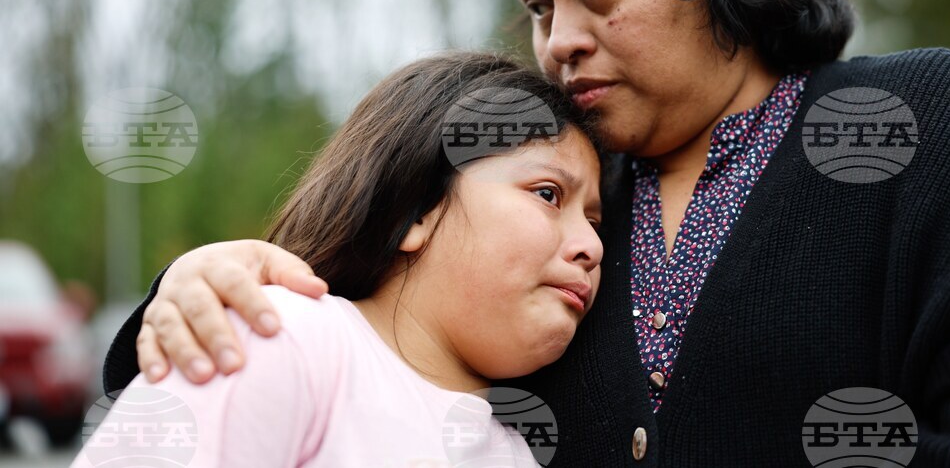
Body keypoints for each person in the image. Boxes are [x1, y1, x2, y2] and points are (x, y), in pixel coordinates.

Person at [102, 0, 950, 465]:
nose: (558, 39)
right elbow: (360, 328)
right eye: (537, 4)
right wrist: (187, 289)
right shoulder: (539, 194)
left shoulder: (923, 125)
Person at [75, 51, 604, 466]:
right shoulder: (279, 336)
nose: (592, 246)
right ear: (418, 206)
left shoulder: (519, 449)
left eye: (596, 222)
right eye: (548, 194)